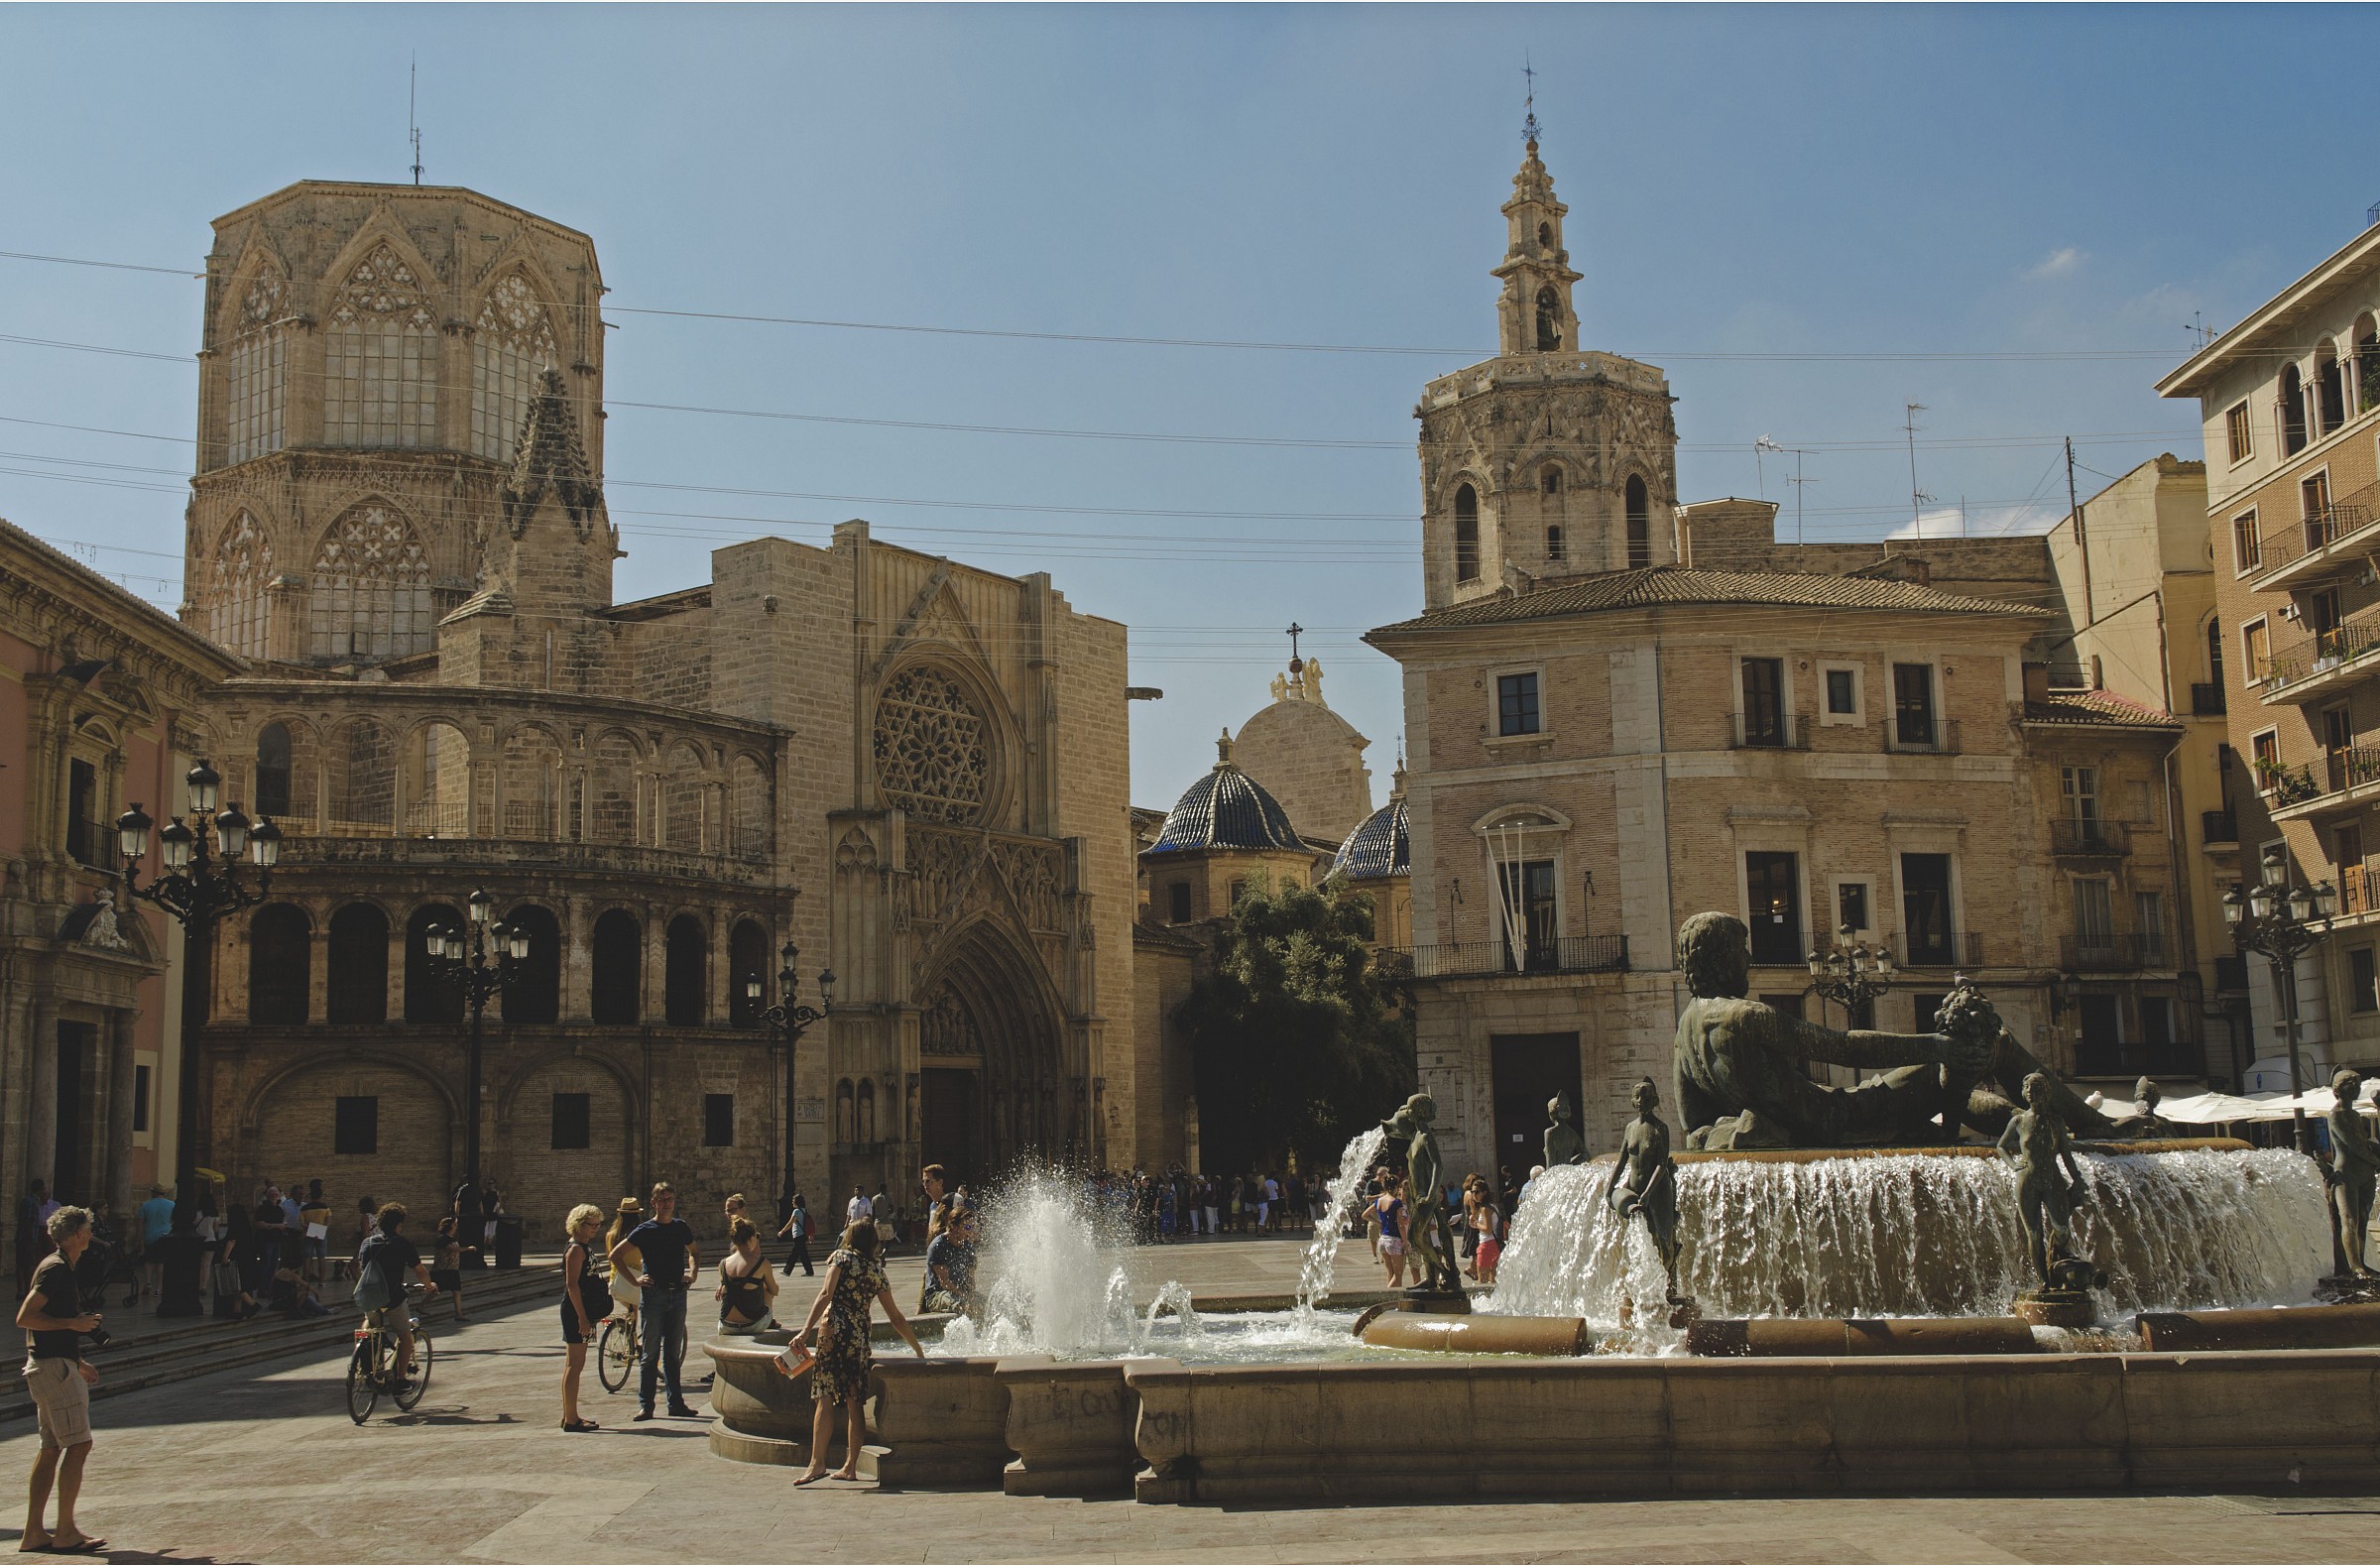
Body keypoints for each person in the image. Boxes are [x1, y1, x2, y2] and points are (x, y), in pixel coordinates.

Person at [790, 1221, 925, 1485]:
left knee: (825, 1396)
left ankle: (817, 1464)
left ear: (849, 1236)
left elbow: (826, 1293)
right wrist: (918, 1348)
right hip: (859, 1338)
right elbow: (896, 1317)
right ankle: (850, 1466)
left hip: (832, 1334)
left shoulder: (840, 1258)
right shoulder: (876, 1270)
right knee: (855, 1401)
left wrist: (805, 1330)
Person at [18, 1205, 104, 1554]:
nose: (91, 1234)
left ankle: (35, 1532)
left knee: (52, 1448)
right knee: (79, 1444)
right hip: (53, 1369)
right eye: (88, 1229)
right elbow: (26, 1317)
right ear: (79, 1234)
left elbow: (47, 1322)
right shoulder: (56, 1269)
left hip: (55, 1363)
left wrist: (78, 1358)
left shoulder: (60, 1266)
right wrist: (74, 1325)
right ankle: (65, 1531)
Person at [611, 1182, 699, 1421]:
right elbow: (615, 1255)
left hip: (677, 1295)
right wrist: (635, 1280)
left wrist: (692, 1273)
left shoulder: (680, 1227)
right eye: (662, 1199)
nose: (667, 1203)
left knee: (672, 1353)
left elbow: (694, 1251)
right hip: (654, 1297)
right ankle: (646, 1405)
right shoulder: (645, 1230)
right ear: (653, 1203)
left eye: (670, 1199)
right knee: (650, 1353)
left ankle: (676, 1403)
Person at [357, 1204, 437, 1386]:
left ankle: (362, 1354)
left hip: (369, 1298)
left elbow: (358, 1267)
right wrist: (429, 1286)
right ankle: (401, 1378)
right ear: (399, 1225)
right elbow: (420, 1271)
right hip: (392, 1298)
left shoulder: (367, 1243)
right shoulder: (402, 1244)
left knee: (369, 1326)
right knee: (405, 1336)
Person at [559, 1203, 609, 1433]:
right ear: (579, 1225)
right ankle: (571, 1418)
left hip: (582, 1310)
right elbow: (572, 1285)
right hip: (575, 1311)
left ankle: (570, 1415)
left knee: (574, 1364)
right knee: (575, 1364)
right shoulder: (576, 1249)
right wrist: (582, 1319)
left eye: (598, 1225)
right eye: (591, 1225)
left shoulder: (583, 1247)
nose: (595, 1229)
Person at [715, 1217, 778, 1333]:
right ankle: (769, 1322)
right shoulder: (762, 1262)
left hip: (725, 1325)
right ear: (751, 1238)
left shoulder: (723, 1264)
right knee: (767, 1289)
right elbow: (775, 1291)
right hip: (753, 1325)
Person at [922, 1204, 978, 1314]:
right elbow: (945, 1283)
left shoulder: (968, 1246)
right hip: (939, 1294)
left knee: (989, 1305)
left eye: (972, 1226)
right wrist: (964, 1296)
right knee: (962, 1306)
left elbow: (970, 1278)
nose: (971, 1231)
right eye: (967, 1227)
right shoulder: (938, 1246)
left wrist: (971, 1296)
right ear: (954, 1226)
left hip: (962, 1293)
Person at [605, 1197, 645, 1322]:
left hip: (615, 1282)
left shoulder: (610, 1235)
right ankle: (633, 1337)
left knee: (631, 1308)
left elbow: (609, 1257)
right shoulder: (639, 1235)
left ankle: (629, 1333)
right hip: (634, 1280)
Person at [134, 1185, 175, 1304]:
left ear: (153, 1193)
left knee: (149, 1261)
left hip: (150, 1236)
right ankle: (159, 1288)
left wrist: (138, 1239)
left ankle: (147, 1282)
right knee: (161, 1262)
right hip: (166, 1235)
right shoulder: (171, 1205)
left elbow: (140, 1225)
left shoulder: (145, 1205)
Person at [1371, 1174, 1408, 1287]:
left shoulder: (1379, 1201)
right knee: (1398, 1275)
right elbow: (1401, 1225)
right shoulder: (1396, 1203)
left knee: (1390, 1273)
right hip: (1394, 1240)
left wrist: (1379, 1222)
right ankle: (1386, 1297)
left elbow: (1365, 1215)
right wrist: (1406, 1242)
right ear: (1396, 1187)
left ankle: (1392, 1302)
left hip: (1382, 1240)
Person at [429, 1217, 465, 1322]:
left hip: (452, 1269)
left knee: (457, 1291)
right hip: (442, 1270)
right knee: (435, 1291)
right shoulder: (442, 1239)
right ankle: (421, 1306)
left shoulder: (452, 1238)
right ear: (449, 1227)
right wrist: (468, 1248)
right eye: (454, 1225)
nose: (455, 1227)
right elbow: (453, 1249)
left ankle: (459, 1314)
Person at [299, 1183, 333, 1287]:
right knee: (321, 1257)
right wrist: (322, 1229)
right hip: (321, 1232)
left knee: (307, 1258)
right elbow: (328, 1221)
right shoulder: (325, 1208)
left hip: (308, 1233)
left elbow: (302, 1223)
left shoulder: (304, 1208)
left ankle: (306, 1281)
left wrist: (309, 1227)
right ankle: (321, 1281)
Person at [777, 1192, 814, 1278]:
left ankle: (787, 1271)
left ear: (797, 1202)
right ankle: (809, 1271)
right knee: (803, 1255)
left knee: (794, 1254)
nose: (792, 1202)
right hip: (803, 1235)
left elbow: (790, 1223)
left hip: (798, 1235)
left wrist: (782, 1231)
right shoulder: (804, 1210)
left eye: (793, 1201)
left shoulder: (796, 1211)